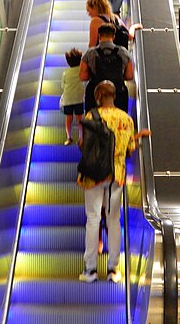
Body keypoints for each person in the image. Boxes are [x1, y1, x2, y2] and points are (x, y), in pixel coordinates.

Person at [78, 80, 150, 283]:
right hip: (116, 175)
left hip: (93, 176)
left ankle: (90, 270)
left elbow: (83, 145)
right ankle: (113, 270)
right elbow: (129, 149)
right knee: (114, 220)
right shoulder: (126, 119)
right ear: (114, 96)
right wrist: (138, 137)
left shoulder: (92, 116)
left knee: (92, 220)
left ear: (99, 96)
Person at [80, 23, 133, 113]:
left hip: (96, 94)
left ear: (99, 36)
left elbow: (83, 76)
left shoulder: (90, 53)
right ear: (113, 36)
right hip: (118, 94)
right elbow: (129, 76)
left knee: (95, 122)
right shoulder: (124, 52)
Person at [61, 48, 85, 145]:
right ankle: (81, 138)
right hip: (79, 99)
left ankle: (69, 138)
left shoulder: (65, 73)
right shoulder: (81, 71)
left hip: (68, 100)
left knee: (69, 119)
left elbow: (62, 85)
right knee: (80, 119)